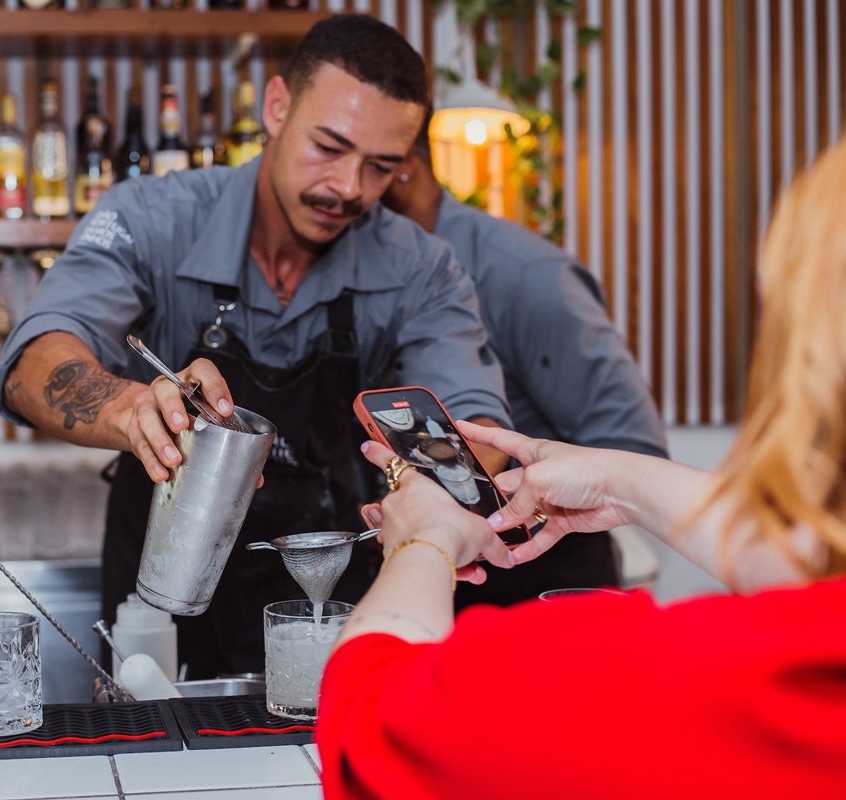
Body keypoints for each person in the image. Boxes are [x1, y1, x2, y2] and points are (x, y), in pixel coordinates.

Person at [316, 136, 846, 798]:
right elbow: (817, 566)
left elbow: (370, 726)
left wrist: (424, 534)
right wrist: (616, 482)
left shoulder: (687, 682)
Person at [0, 15, 512, 678]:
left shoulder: (422, 267)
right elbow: (35, 362)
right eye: (329, 147)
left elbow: (479, 430)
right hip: (162, 602)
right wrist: (133, 410)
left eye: (380, 168)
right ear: (276, 108)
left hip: (327, 600)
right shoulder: (150, 217)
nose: (348, 188)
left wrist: (431, 483)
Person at [381, 124, 668, 608]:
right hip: (440, 568)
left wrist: (506, 481)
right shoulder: (377, 268)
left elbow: (635, 450)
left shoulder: (526, 276)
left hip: (544, 583)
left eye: (367, 167)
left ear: (402, 167)